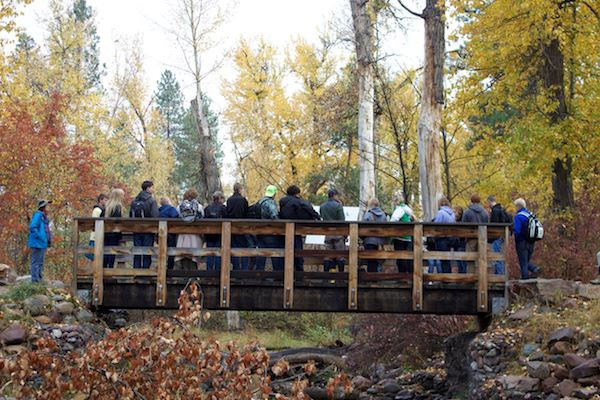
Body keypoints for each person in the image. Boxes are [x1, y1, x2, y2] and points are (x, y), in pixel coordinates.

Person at [280, 185, 321, 271]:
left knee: (286, 252)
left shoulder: (282, 201)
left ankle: (287, 272)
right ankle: (299, 274)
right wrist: (317, 217)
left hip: (284, 230)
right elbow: (309, 209)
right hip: (296, 229)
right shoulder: (298, 201)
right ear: (297, 193)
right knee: (298, 251)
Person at [130, 180, 159, 268]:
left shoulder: (134, 200)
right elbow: (155, 216)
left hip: (136, 229)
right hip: (148, 230)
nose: (153, 189)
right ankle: (145, 274)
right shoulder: (151, 200)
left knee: (137, 251)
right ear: (148, 188)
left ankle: (136, 272)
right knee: (147, 251)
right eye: (152, 187)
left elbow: (130, 215)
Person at [255, 185, 284, 271]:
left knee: (261, 254)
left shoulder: (260, 201)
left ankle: (259, 274)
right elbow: (274, 215)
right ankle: (277, 274)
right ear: (274, 193)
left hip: (260, 231)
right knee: (275, 253)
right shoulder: (270, 202)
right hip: (270, 232)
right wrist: (280, 225)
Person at [513, 198, 542, 279]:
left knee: (523, 263)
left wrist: (513, 235)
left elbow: (517, 231)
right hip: (531, 241)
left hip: (522, 242)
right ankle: (534, 268)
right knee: (525, 261)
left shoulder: (519, 216)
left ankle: (525, 282)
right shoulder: (530, 215)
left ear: (518, 206)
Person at [175, 189, 203, 270]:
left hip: (182, 234)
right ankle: (193, 277)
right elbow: (202, 216)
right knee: (193, 256)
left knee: (183, 256)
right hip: (194, 234)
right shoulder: (199, 206)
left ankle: (184, 276)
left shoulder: (180, 206)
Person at [320, 188, 346, 272]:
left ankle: (326, 278)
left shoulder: (322, 206)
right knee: (340, 256)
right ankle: (341, 278)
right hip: (338, 234)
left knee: (328, 256)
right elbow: (342, 221)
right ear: (335, 195)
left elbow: (322, 218)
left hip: (327, 234)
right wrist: (345, 234)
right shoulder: (338, 206)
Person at [462, 193, 489, 272]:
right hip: (482, 238)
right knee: (482, 259)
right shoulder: (485, 212)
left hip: (470, 238)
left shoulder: (467, 212)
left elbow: (463, 225)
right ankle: (482, 278)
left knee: (470, 260)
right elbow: (488, 224)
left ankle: (471, 278)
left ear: (471, 200)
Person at [225, 183, 250, 270]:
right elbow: (247, 213)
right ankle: (244, 269)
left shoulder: (229, 200)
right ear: (240, 189)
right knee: (244, 248)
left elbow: (227, 212)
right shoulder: (243, 200)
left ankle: (236, 269)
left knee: (234, 248)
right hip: (242, 227)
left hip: (231, 227)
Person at [389, 193, 415, 273]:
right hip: (408, 237)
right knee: (408, 258)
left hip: (400, 237)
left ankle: (402, 278)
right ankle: (410, 277)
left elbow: (393, 220)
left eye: (394, 201)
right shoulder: (407, 209)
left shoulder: (399, 209)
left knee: (400, 258)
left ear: (397, 201)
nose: (393, 202)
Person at [28, 200, 52, 282]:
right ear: (43, 207)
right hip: (37, 243)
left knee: (40, 262)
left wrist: (48, 240)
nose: (49, 208)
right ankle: (35, 281)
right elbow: (32, 227)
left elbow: (46, 230)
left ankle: (39, 279)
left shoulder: (44, 217)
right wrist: (40, 237)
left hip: (42, 243)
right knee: (36, 262)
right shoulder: (38, 215)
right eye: (47, 206)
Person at [487, 195, 511, 275]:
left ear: (490, 201)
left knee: (497, 256)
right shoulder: (501, 209)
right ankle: (499, 274)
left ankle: (500, 275)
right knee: (499, 255)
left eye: (488, 202)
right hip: (501, 236)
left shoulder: (495, 211)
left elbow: (494, 224)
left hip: (496, 236)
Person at [361, 199, 387, 273]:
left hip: (369, 241)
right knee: (378, 260)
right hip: (380, 242)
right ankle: (377, 278)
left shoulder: (368, 214)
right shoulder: (383, 215)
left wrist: (362, 238)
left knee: (370, 261)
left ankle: (371, 278)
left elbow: (362, 228)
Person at [204, 191, 227, 271]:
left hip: (209, 234)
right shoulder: (223, 208)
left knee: (209, 254)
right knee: (218, 254)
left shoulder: (207, 208)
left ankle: (209, 272)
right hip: (219, 234)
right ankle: (217, 272)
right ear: (220, 198)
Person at [433, 197, 456, 273]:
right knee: (447, 259)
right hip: (450, 238)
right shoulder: (452, 214)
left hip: (441, 238)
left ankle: (444, 277)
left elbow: (437, 225)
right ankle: (448, 276)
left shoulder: (441, 213)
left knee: (442, 259)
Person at [103, 189, 125, 268]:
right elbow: (118, 220)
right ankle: (110, 271)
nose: (123, 197)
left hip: (105, 232)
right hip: (114, 233)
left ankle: (104, 270)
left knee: (105, 251)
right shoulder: (118, 207)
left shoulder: (107, 206)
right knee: (112, 251)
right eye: (122, 195)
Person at [159, 197, 179, 269]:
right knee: (171, 251)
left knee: (162, 251)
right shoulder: (171, 209)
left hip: (160, 233)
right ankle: (170, 268)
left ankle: (162, 268)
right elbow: (176, 218)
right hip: (171, 233)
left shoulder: (159, 210)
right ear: (168, 202)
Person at [86, 193, 108, 261]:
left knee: (99, 253)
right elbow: (94, 221)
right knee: (91, 253)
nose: (106, 202)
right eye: (105, 200)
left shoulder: (103, 210)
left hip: (100, 235)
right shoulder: (97, 210)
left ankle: (97, 263)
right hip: (94, 236)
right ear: (100, 200)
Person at [453, 205, 467, 273]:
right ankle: (461, 274)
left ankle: (463, 274)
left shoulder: (459, 222)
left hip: (460, 242)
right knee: (460, 260)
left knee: (462, 260)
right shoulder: (457, 221)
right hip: (458, 242)